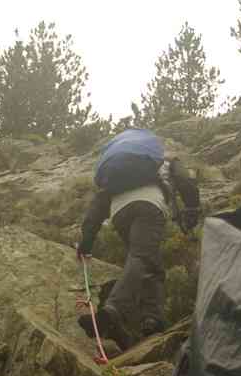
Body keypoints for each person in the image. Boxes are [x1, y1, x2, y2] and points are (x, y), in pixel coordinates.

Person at [77, 128, 200, 349]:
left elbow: (98, 205)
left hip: (119, 213)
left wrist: (87, 239)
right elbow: (186, 182)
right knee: (142, 257)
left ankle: (152, 320)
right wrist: (192, 209)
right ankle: (112, 311)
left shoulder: (117, 174)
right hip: (149, 207)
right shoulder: (167, 161)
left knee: (151, 266)